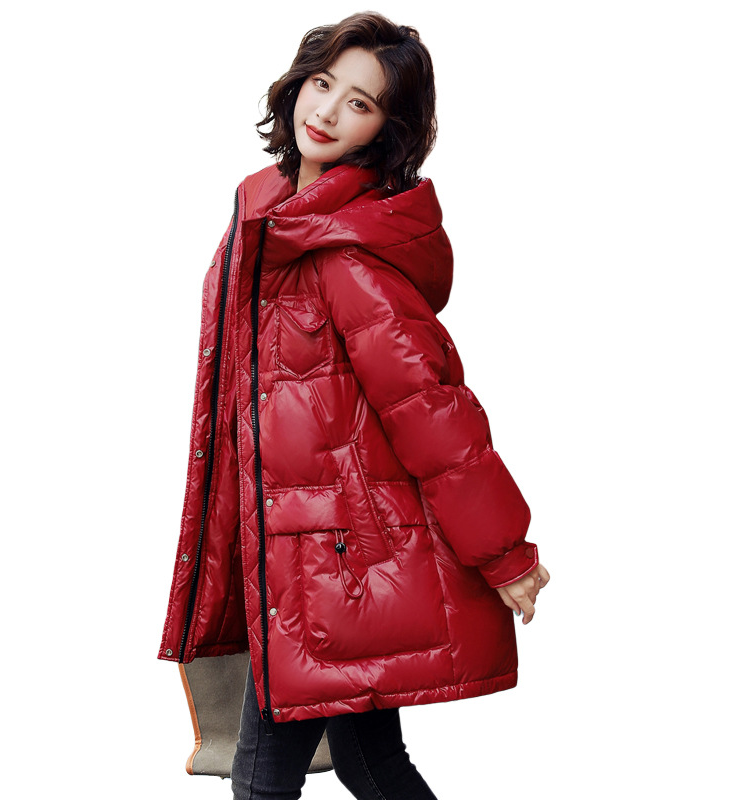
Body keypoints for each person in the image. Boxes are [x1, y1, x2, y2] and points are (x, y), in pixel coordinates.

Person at [158, 11, 551, 799]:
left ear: (385, 131)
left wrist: (504, 551)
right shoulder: (266, 214)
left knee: (262, 780)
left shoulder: (342, 253)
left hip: (329, 566)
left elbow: (430, 408)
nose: (329, 112)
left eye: (360, 103)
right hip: (288, 545)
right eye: (323, 83)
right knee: (370, 763)